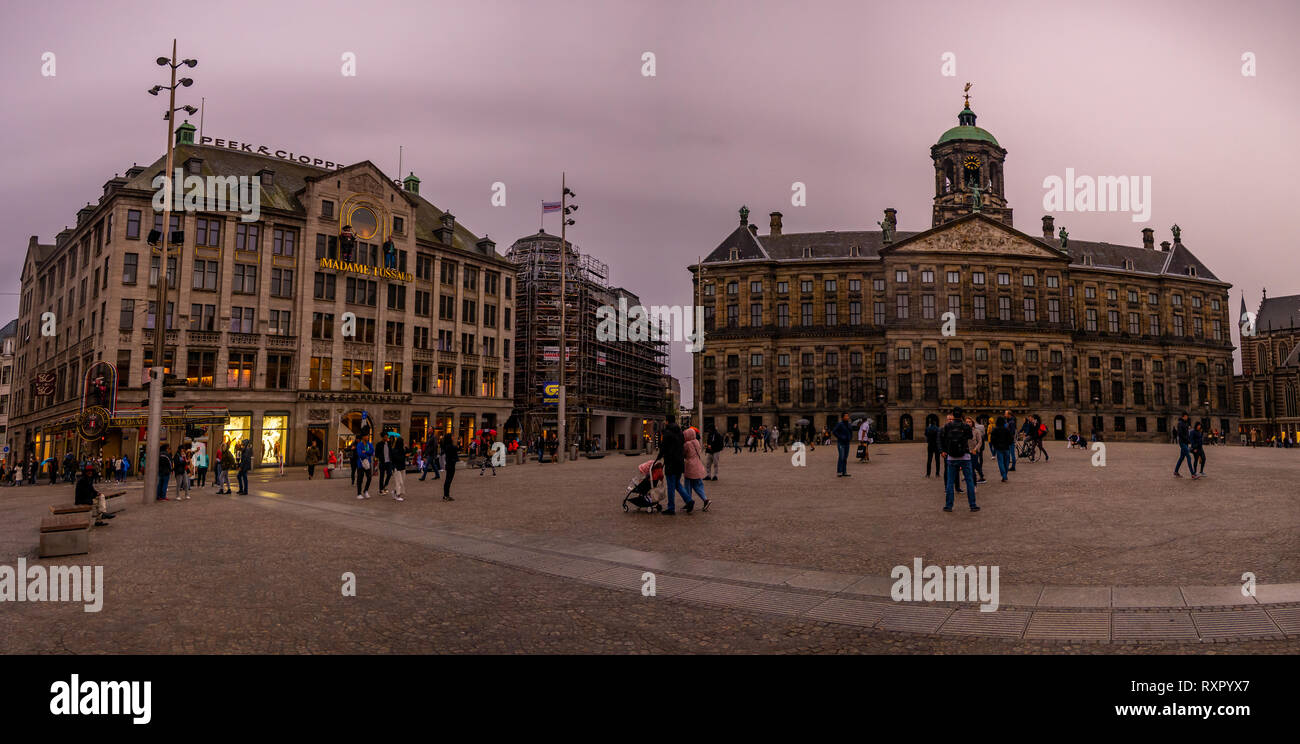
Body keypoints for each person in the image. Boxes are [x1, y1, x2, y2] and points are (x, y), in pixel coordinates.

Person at [940, 407, 979, 512]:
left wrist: (944, 450)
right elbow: (970, 436)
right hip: (965, 456)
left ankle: (949, 506)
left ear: (952, 414)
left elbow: (943, 438)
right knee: (969, 481)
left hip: (951, 456)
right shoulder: (965, 426)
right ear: (962, 415)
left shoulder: (947, 426)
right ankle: (972, 505)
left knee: (950, 482)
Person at [658, 416, 693, 515]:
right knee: (677, 484)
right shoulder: (680, 432)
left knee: (671, 486)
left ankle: (671, 508)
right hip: (680, 462)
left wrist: (658, 458)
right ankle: (689, 501)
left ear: (667, 421)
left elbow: (663, 447)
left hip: (671, 463)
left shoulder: (667, 433)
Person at [682, 427, 710, 511]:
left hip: (690, 466)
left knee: (688, 485)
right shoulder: (697, 442)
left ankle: (689, 501)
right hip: (697, 465)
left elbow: (684, 454)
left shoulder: (687, 444)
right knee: (698, 484)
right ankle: (705, 499)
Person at [1174, 412, 1198, 479]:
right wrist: (1187, 440)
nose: (1187, 418)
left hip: (1186, 442)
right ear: (1183, 416)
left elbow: (1187, 433)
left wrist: (1188, 440)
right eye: (1186, 416)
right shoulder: (1180, 424)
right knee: (1188, 457)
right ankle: (1193, 474)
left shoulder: (1186, 423)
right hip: (1182, 442)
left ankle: (1176, 471)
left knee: (1181, 457)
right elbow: (1180, 434)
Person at [989, 415, 1014, 482]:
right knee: (1006, 462)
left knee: (1001, 462)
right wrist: (1008, 444)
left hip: (999, 448)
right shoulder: (1007, 430)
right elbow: (1011, 439)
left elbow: (992, 439)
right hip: (1006, 448)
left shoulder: (995, 429)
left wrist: (995, 445)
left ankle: (1004, 475)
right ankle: (1005, 474)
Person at [354, 433, 374, 499]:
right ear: (363, 437)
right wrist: (367, 454)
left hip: (368, 463)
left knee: (369, 477)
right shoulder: (359, 444)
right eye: (366, 436)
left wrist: (365, 452)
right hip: (361, 463)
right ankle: (359, 493)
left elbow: (372, 451)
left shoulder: (369, 444)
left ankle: (366, 490)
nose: (367, 437)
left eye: (368, 436)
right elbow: (360, 454)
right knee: (360, 479)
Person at [832, 413, 853, 477]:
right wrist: (840, 437)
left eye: (847, 416)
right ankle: (839, 471)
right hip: (841, 443)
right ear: (842, 417)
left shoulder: (849, 424)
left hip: (847, 443)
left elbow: (850, 432)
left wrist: (850, 437)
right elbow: (834, 431)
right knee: (841, 457)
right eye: (846, 416)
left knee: (845, 458)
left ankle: (844, 472)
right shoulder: (840, 424)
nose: (847, 417)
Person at [967, 415, 987, 484]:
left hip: (974, 451)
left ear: (972, 423)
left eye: (969, 422)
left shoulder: (976, 431)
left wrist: (975, 449)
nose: (968, 423)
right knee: (975, 465)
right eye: (967, 422)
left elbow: (980, 442)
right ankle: (981, 475)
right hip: (966, 451)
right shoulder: (963, 431)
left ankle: (974, 482)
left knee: (973, 466)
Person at [440, 432, 459, 502]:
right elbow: (457, 448)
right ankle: (446, 496)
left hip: (449, 464)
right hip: (450, 465)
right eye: (452, 436)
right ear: (449, 438)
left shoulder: (447, 445)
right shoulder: (450, 446)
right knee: (448, 480)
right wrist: (456, 443)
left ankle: (446, 495)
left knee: (448, 480)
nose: (453, 437)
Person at [389, 434, 406, 501]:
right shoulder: (394, 450)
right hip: (397, 468)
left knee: (402, 481)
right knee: (399, 482)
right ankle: (397, 495)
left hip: (402, 467)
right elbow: (396, 459)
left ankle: (395, 492)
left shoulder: (402, 450)